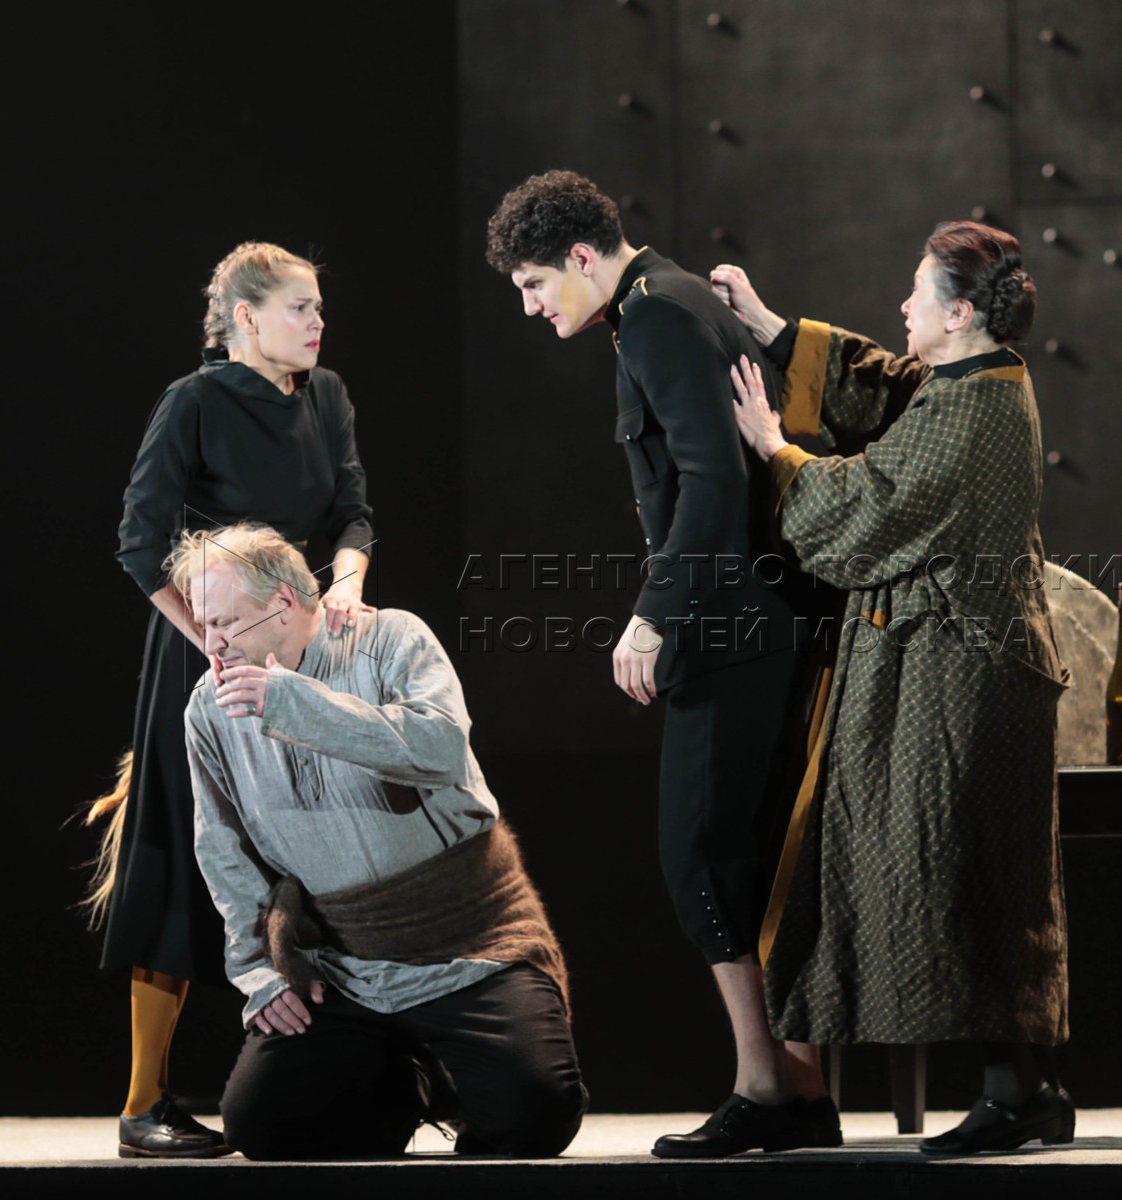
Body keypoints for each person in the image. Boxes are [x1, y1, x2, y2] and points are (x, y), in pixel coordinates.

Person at [485, 170, 839, 1158]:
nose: (529, 306)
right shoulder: (667, 300)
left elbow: (712, 479)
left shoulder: (655, 316)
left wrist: (652, 617)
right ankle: (802, 1095)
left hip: (736, 625)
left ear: (581, 257)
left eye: (533, 284)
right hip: (766, 617)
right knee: (758, 862)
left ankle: (766, 1089)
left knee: (703, 861)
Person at [713, 222, 1074, 1156]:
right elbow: (886, 384)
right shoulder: (970, 381)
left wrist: (775, 450)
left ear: (960, 314)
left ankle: (1016, 1093)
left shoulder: (977, 406)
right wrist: (773, 328)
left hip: (961, 678)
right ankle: (1029, 1089)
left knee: (968, 872)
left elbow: (870, 504)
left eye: (918, 292)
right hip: (961, 670)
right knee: (980, 871)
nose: (903, 305)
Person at [89, 243, 376, 1158]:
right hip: (201, 661)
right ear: (245, 318)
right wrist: (213, 642)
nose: (318, 322)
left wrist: (346, 581)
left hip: (301, 653)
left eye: (319, 307)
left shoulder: (326, 397)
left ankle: (346, 1075)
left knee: (324, 852)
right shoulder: (195, 402)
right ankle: (144, 1105)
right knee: (179, 857)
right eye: (300, 307)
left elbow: (353, 512)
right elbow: (141, 544)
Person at [174, 523, 585, 1160]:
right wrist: (259, 971)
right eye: (204, 625)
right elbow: (222, 848)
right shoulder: (208, 706)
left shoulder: (389, 639)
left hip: (467, 944)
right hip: (343, 964)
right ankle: (405, 1082)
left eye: (225, 622)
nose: (211, 642)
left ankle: (451, 1072)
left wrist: (295, 703)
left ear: (283, 602)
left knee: (535, 1114)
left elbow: (440, 748)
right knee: (264, 1125)